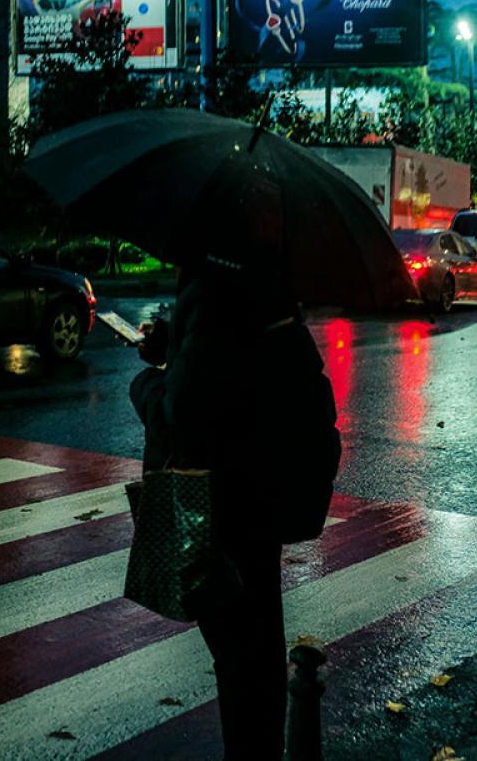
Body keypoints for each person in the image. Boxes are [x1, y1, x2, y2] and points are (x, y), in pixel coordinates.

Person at [130, 224, 340, 760]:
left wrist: (148, 385)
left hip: (221, 508)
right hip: (264, 498)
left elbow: (187, 414)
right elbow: (245, 362)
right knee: (258, 657)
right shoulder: (264, 279)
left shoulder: (211, 284)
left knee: (242, 664)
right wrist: (174, 337)